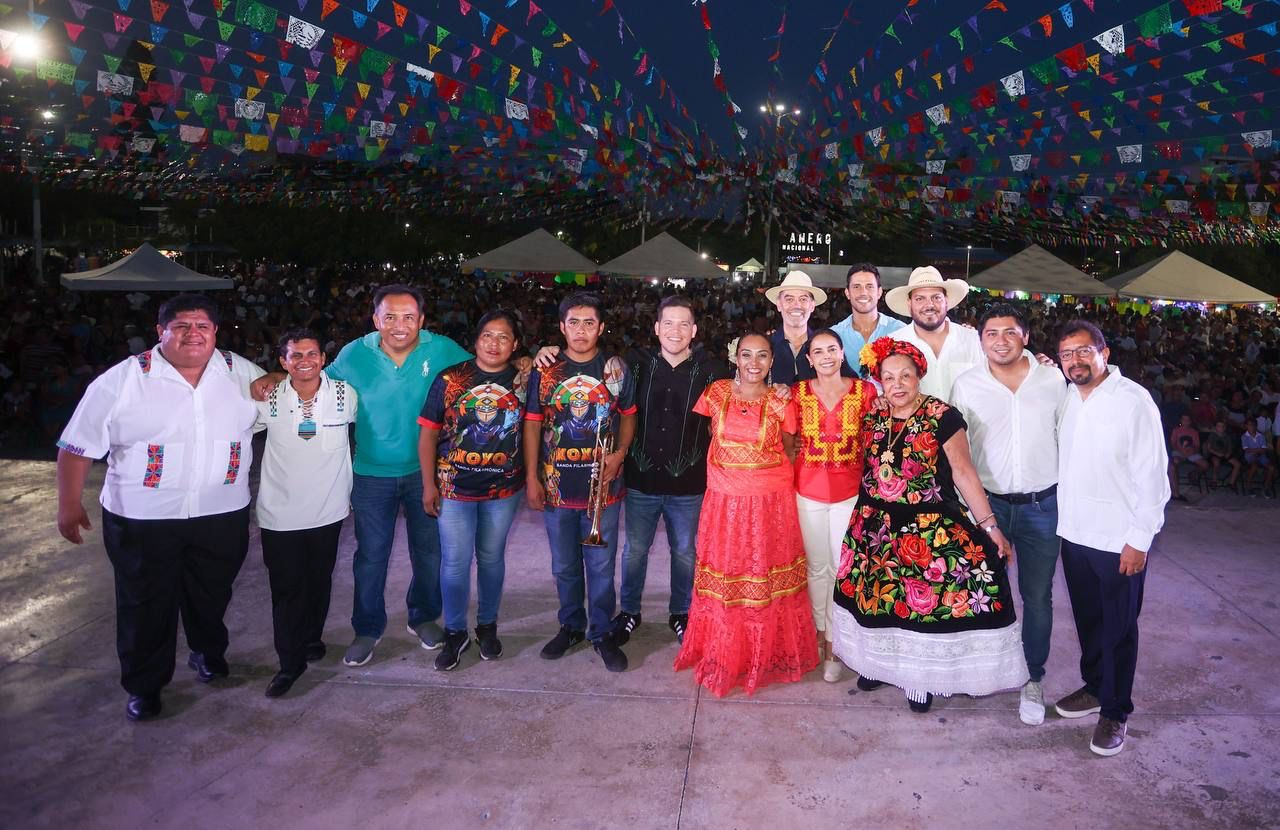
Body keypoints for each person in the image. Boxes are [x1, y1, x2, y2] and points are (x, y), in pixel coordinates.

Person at [55, 294, 265, 721]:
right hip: (143, 517)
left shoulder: (239, 371)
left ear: (215, 332)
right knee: (145, 602)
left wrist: (278, 376)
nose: (193, 334)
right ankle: (145, 685)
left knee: (212, 592)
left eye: (202, 326)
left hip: (221, 511)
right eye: (181, 326)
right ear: (160, 332)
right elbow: (76, 447)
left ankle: (207, 652)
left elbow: (281, 400)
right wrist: (68, 503)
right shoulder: (122, 381)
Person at [253, 285, 472, 668]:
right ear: (375, 319)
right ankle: (367, 628)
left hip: (425, 472)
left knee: (429, 552)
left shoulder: (442, 349)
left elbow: (483, 371)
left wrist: (523, 363)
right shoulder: (355, 353)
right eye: (390, 317)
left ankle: (423, 616)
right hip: (371, 475)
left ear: (422, 319)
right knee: (371, 556)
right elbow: (313, 377)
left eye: (409, 317)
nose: (399, 325)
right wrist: (274, 374)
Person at [832, 337, 1027, 713]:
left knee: (919, 606)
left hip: (927, 528)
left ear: (919, 375)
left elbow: (964, 473)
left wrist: (990, 527)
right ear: (879, 381)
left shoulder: (943, 416)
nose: (898, 384)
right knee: (879, 601)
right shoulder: (873, 415)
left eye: (906, 375)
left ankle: (918, 680)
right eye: (889, 377)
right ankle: (878, 665)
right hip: (874, 528)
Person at [674, 333, 818, 695]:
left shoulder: (781, 400)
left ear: (772, 362)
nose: (754, 363)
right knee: (728, 576)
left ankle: (764, 656)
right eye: (747, 355)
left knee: (765, 578)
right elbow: (705, 436)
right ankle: (726, 653)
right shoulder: (716, 393)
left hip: (769, 504)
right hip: (724, 502)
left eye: (762, 356)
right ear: (735, 358)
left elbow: (790, 449)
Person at [1054, 320, 1169, 757]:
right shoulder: (1069, 397)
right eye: (1067, 354)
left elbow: (1153, 477)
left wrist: (1140, 539)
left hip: (1119, 539)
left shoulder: (1133, 401)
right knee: (1088, 620)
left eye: (1084, 351)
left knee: (1118, 628)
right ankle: (1095, 686)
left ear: (1104, 352)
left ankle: (1116, 710)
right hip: (1074, 532)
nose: (1075, 361)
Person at [950, 304, 1066, 726]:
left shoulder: (1054, 379)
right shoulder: (967, 385)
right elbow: (957, 451)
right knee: (979, 593)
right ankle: (979, 670)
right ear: (980, 340)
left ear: (1026, 336)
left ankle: (1032, 678)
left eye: (1010, 332)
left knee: (1037, 596)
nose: (1001, 341)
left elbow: (1069, 437)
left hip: (1042, 506)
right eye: (992, 333)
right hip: (988, 506)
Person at [524, 293, 637, 672]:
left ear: (601, 328)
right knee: (564, 566)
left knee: (601, 568)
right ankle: (571, 626)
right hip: (557, 486)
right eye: (574, 322)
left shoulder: (615, 369)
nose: (581, 330)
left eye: (589, 323)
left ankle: (601, 632)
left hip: (603, 489)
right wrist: (532, 476)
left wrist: (620, 454)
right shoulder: (545, 369)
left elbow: (629, 414)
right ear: (561, 327)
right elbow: (533, 423)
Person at [611, 296, 731, 647]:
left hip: (689, 484)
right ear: (656, 328)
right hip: (641, 481)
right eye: (668, 323)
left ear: (694, 330)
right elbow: (597, 365)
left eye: (683, 324)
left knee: (684, 553)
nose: (675, 331)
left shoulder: (713, 370)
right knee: (634, 551)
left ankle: (681, 613)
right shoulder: (635, 364)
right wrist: (542, 354)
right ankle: (629, 611)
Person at [418, 310, 527, 671]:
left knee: (492, 558)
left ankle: (487, 626)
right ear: (476, 340)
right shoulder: (451, 379)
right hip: (454, 488)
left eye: (504, 337)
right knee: (455, 562)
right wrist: (428, 484)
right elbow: (428, 434)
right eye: (487, 335)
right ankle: (454, 632)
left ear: (516, 344)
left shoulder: (525, 379)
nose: (494, 343)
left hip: (503, 490)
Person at [253, 329, 358, 698]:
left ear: (323, 358)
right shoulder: (267, 398)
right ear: (283, 362)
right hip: (279, 513)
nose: (305, 361)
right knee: (286, 588)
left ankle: (312, 637)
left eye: (311, 354)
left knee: (319, 579)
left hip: (329, 511)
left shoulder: (345, 395)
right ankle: (290, 663)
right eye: (295, 356)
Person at [785, 328, 877, 683]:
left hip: (850, 493)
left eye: (832, 350)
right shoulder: (796, 393)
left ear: (842, 354)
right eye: (818, 352)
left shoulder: (865, 392)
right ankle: (821, 636)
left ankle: (838, 643)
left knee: (843, 569)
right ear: (809, 360)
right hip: (807, 491)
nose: (826, 356)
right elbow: (786, 440)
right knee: (816, 568)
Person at [886, 266, 983, 402]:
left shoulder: (973, 340)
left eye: (936, 297)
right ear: (909, 303)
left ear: (946, 300)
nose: (929, 305)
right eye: (920, 299)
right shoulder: (893, 344)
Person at [829, 263, 906, 358]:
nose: (863, 292)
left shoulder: (900, 330)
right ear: (847, 293)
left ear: (879, 292)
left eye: (869, 286)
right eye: (856, 286)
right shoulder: (834, 335)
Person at [763, 271, 827, 385]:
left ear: (812, 305)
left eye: (803, 299)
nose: (797, 305)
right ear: (779, 304)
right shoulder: (765, 346)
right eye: (789, 299)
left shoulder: (827, 346)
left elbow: (848, 382)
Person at [1168, 414, 1209, 500]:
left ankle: (1193, 474)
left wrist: (1192, 451)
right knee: (1174, 463)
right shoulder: (1176, 430)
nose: (1186, 422)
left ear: (1190, 421)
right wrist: (1180, 450)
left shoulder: (1194, 432)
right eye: (1184, 420)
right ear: (1181, 420)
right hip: (1178, 451)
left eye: (1187, 420)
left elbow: (1197, 445)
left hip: (1191, 452)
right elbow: (1172, 443)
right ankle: (1175, 488)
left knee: (1205, 464)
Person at [1241, 418, 1276, 495]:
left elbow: (1263, 449)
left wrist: (1256, 451)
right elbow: (1246, 450)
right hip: (1250, 456)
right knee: (1254, 466)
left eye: (1253, 425)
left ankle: (1266, 487)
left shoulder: (1261, 436)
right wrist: (1258, 450)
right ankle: (1248, 484)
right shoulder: (1244, 436)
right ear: (1246, 426)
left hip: (1261, 456)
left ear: (1256, 426)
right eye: (1249, 425)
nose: (1251, 427)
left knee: (1271, 468)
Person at [1204, 419, 1241, 490]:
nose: (1220, 428)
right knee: (1216, 463)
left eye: (1222, 426)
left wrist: (1228, 453)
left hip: (1224, 454)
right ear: (1215, 427)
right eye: (1219, 426)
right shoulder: (1212, 435)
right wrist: (1217, 453)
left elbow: (1230, 448)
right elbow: (1209, 448)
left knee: (1237, 464)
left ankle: (1231, 483)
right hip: (1214, 453)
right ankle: (1214, 481)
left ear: (1225, 428)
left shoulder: (1227, 436)